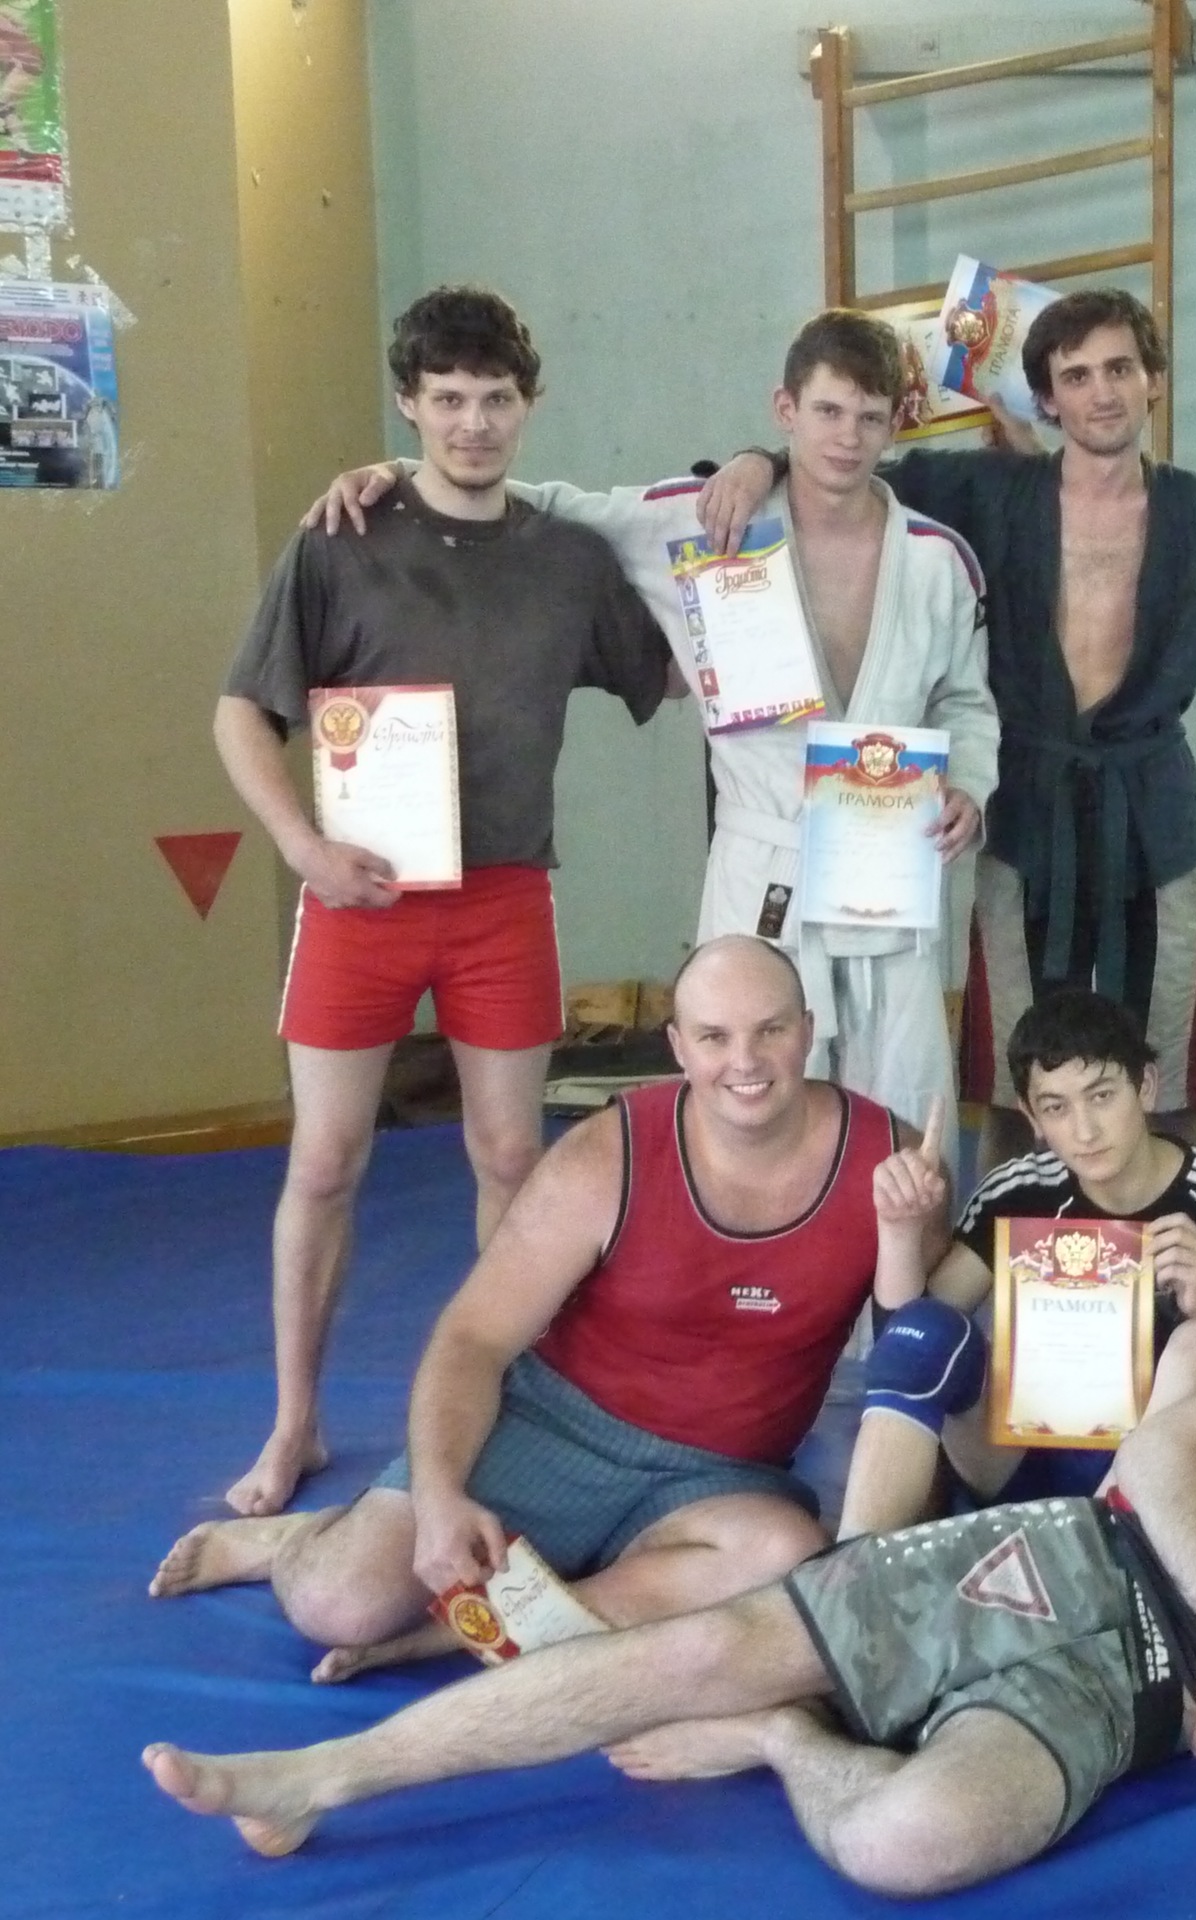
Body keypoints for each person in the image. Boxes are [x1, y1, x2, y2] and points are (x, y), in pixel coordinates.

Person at [134, 1248, 1196, 1896]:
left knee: (907, 1845)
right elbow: (1165, 1453)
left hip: (1128, 1713)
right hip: (1072, 1565)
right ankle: (317, 1778)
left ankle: (795, 1741)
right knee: (693, 1655)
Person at [148, 937, 947, 1683]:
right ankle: (292, 1540)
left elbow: (915, 1365)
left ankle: (452, 1632)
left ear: (807, 1030)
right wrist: (439, 1499)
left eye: (769, 1030)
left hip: (721, 1476)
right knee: (338, 1603)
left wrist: (906, 1232)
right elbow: (473, 1337)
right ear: (678, 1046)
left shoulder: (891, 1157)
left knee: (784, 1562)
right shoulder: (608, 1154)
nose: (745, 1061)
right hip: (556, 1429)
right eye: (715, 1037)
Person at [305, 310, 995, 1158]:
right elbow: (539, 505)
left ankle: (908, 1251)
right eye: (827, 412)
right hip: (763, 862)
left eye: (869, 417)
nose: (847, 438)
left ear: (895, 426)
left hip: (888, 862)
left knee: (906, 1105)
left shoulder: (939, 560)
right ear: (785, 410)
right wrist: (403, 473)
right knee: (752, 1098)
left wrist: (971, 785)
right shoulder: (699, 520)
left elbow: (967, 702)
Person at [211, 286, 671, 1518]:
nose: (474, 423)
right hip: (356, 897)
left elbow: (678, 671)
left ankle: (510, 1405)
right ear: (408, 404)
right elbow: (241, 715)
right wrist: (302, 847)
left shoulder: (569, 560)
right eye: (450, 399)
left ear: (529, 405)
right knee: (324, 1160)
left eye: (496, 399)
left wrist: (770, 570)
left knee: (511, 1154)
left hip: (503, 897)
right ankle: (294, 1422)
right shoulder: (340, 537)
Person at [703, 289, 1196, 1152]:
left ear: (1155, 380)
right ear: (1045, 398)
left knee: (1172, 1067)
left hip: (1155, 810)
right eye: (1076, 376)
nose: (1102, 392)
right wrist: (756, 464)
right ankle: (1005, 1230)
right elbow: (840, 470)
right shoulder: (986, 492)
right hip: (1025, 803)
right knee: (1017, 1074)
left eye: (1120, 369)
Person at [840, 988, 1196, 1540]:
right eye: (1056, 1107)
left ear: (1145, 1087)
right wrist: (899, 1229)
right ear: (1031, 1115)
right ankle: (848, 1564)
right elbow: (907, 1348)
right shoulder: (1017, 1191)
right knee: (932, 1328)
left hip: (1153, 1477)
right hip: (1017, 1458)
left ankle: (1095, 1540)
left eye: (1101, 1096)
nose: (1084, 1131)